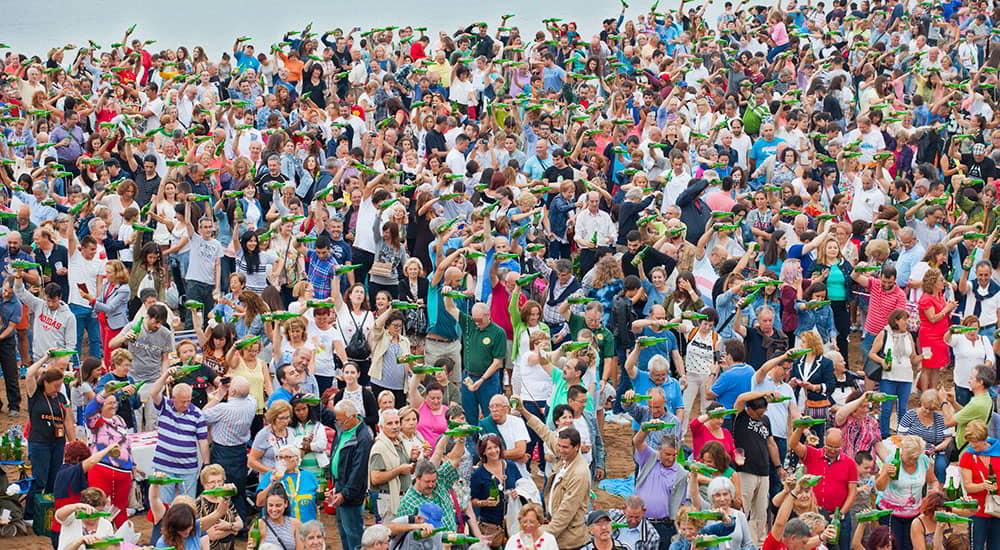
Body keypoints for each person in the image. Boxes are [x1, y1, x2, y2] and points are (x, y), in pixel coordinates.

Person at [515, 398, 590, 549]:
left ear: (577, 447)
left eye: (565, 447)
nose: (560, 450)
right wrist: (523, 410)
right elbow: (543, 431)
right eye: (559, 446)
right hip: (556, 529)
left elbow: (566, 511)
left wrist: (543, 535)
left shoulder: (579, 473)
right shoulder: (565, 455)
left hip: (569, 540)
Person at [789, 425, 857, 550]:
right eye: (829, 446)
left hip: (838, 516)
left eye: (836, 447)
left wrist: (841, 513)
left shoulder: (850, 463)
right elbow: (793, 444)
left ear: (842, 444)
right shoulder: (812, 454)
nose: (832, 450)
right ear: (824, 441)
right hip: (815, 514)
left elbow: (852, 492)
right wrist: (800, 429)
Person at [149, 367, 210, 502]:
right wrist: (165, 375)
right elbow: (153, 392)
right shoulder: (165, 405)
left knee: (188, 503)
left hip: (188, 467)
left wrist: (206, 464)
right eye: (183, 401)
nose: (186, 404)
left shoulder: (197, 413)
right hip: (164, 466)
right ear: (173, 398)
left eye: (189, 400)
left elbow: (203, 441)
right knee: (164, 503)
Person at [24, 353, 75, 516]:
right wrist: (46, 358)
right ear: (45, 382)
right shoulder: (35, 394)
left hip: (57, 442)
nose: (58, 389)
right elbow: (30, 373)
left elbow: (67, 421)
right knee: (39, 480)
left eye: (60, 386)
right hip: (39, 443)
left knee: (54, 480)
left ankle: (47, 514)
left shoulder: (60, 397)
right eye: (55, 385)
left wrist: (72, 443)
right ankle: (30, 514)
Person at [203, 376, 256, 523]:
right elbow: (246, 393)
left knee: (219, 488)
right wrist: (234, 387)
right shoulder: (252, 403)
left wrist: (219, 395)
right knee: (238, 489)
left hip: (222, 452)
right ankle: (241, 522)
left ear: (232, 391)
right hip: (240, 451)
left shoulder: (223, 408)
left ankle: (219, 520)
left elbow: (201, 416)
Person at [876, 435, 938, 550]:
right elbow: (879, 487)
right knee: (894, 546)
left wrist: (933, 490)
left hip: (914, 513)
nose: (912, 461)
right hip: (891, 513)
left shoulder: (923, 460)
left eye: (915, 458)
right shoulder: (892, 460)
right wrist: (886, 474)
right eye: (909, 458)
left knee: (910, 546)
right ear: (902, 451)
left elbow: (933, 480)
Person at [329, 399, 373, 550]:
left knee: (353, 534)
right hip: (340, 487)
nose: (338, 424)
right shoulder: (344, 430)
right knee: (343, 532)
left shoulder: (363, 438)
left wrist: (345, 494)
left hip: (351, 494)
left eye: (341, 420)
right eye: (337, 420)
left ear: (353, 416)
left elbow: (358, 471)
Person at [957, 419, 1000, 550]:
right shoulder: (967, 456)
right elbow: (968, 485)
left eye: (976, 443)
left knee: (996, 546)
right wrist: (983, 485)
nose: (972, 446)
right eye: (970, 442)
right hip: (977, 509)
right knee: (977, 546)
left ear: (985, 439)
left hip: (997, 508)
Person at [368, 408, 414, 522]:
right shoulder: (379, 447)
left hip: (403, 498)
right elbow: (375, 478)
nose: (394, 426)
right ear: (381, 427)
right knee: (390, 536)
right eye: (389, 423)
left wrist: (413, 459)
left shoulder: (399, 442)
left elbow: (406, 471)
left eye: (397, 422)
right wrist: (398, 470)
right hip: (388, 501)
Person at [256, 445, 319, 523]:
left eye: (287, 457)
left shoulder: (309, 476)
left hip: (307, 527)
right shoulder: (270, 475)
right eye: (280, 457)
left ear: (297, 459)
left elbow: (319, 501)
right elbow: (259, 502)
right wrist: (273, 483)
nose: (283, 460)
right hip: (282, 529)